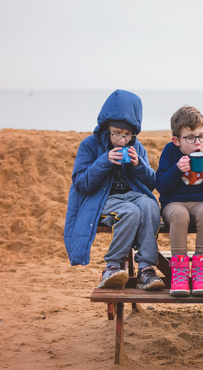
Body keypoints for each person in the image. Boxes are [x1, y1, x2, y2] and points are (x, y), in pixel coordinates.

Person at [63, 89, 164, 291]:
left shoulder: (137, 146)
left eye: (128, 134)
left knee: (150, 205)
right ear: (106, 128)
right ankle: (111, 266)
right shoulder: (89, 145)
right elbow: (81, 183)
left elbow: (152, 183)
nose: (122, 139)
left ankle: (145, 269)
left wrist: (139, 165)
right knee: (131, 212)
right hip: (101, 199)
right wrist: (105, 161)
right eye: (117, 133)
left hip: (133, 196)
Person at [155, 106, 203, 297]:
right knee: (179, 215)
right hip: (174, 203)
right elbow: (161, 186)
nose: (198, 142)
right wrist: (177, 169)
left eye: (201, 136)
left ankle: (200, 272)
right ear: (176, 140)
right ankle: (179, 272)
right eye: (190, 137)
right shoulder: (170, 152)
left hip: (202, 203)